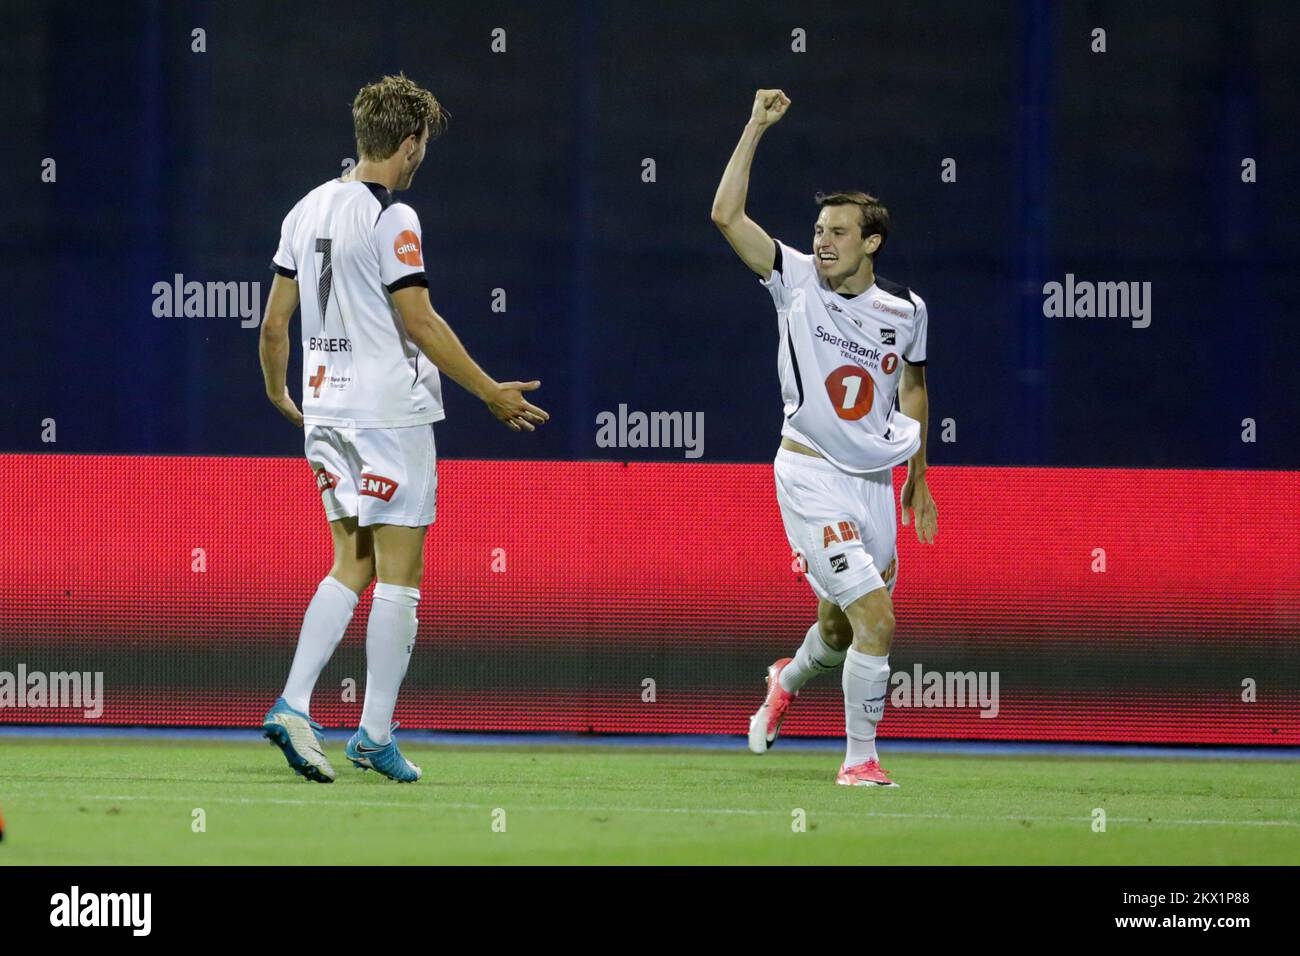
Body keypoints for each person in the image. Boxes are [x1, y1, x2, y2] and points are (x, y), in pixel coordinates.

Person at [257, 73, 548, 783]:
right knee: (400, 578)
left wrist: (281, 397)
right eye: (423, 145)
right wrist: (489, 393)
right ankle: (374, 734)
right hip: (388, 416)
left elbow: (273, 326)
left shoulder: (305, 209)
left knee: (349, 564)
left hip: (325, 413)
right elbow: (418, 319)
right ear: (410, 143)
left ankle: (294, 704)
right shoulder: (395, 218)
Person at [711, 89, 938, 787]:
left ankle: (788, 677)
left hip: (874, 483)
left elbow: (913, 389)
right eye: (818, 229)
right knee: (877, 617)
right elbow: (725, 215)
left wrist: (919, 477)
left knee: (841, 631)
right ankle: (860, 763)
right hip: (809, 474)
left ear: (871, 242)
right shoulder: (795, 280)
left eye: (838, 232)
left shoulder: (906, 310)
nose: (822, 240)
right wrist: (753, 125)